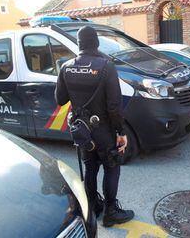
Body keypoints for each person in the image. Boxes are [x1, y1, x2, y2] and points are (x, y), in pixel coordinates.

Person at [55, 26, 134, 227]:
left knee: (90, 167)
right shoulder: (106, 66)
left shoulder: (66, 67)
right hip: (104, 130)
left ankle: (93, 206)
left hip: (82, 131)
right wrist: (121, 132)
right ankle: (111, 211)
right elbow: (114, 106)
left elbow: (60, 99)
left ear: (79, 44)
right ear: (96, 43)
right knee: (112, 167)